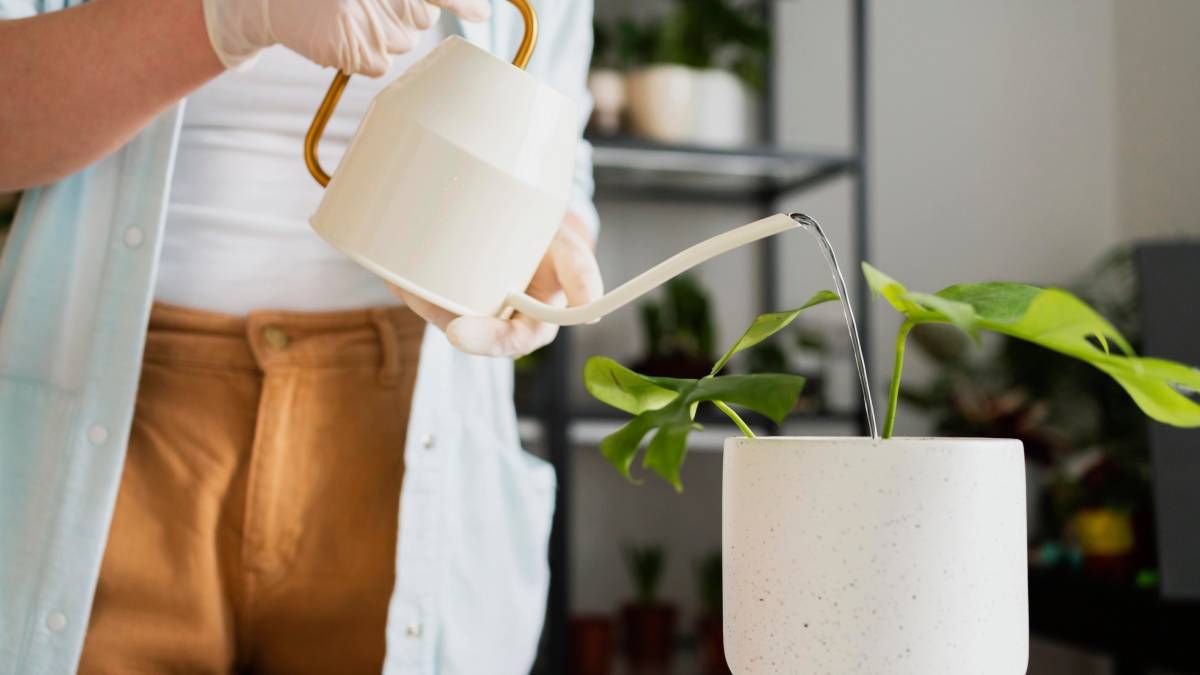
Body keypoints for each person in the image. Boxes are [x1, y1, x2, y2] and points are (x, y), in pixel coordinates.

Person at [0, 0, 601, 673]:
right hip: (120, 423)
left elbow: (557, 145)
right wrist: (226, 14)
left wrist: (547, 245)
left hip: (399, 435)